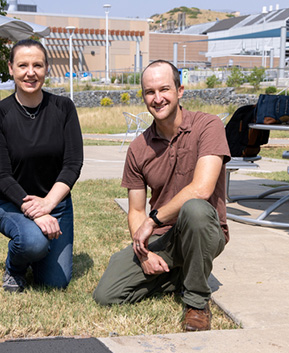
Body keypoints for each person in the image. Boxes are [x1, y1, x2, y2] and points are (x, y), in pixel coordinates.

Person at [93, 60, 230, 332]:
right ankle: (184, 272)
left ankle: (196, 303)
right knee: (106, 295)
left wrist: (152, 221)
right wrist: (143, 252)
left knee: (194, 209)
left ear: (180, 90)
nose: (157, 99)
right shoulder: (138, 148)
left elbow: (202, 190)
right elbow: (135, 211)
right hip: (163, 238)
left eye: (164, 89)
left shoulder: (208, 126)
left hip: (204, 228)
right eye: (149, 92)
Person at [0, 40, 84, 292]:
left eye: (37, 65)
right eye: (23, 65)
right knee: (32, 242)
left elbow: (73, 164)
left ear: (47, 68)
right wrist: (37, 213)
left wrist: (48, 204)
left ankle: (35, 252)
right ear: (11, 68)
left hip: (56, 204)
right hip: (10, 203)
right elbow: (1, 174)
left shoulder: (63, 108)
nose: (31, 72)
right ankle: (15, 266)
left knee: (54, 283)